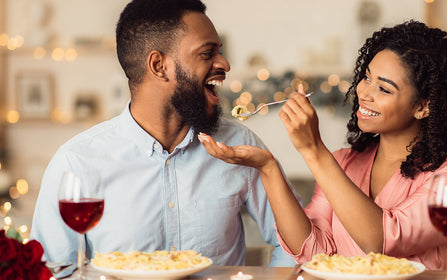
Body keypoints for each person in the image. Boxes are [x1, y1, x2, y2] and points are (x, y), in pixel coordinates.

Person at [198, 20, 447, 270]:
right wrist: (269, 168)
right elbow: (313, 253)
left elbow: (386, 240)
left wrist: (313, 151)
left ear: (423, 106)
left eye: (384, 88)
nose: (364, 93)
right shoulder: (345, 162)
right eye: (366, 78)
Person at [30, 0, 298, 269]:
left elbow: (299, 249)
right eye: (207, 53)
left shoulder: (240, 144)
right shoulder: (77, 161)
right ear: (159, 66)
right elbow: (55, 271)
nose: (225, 64)